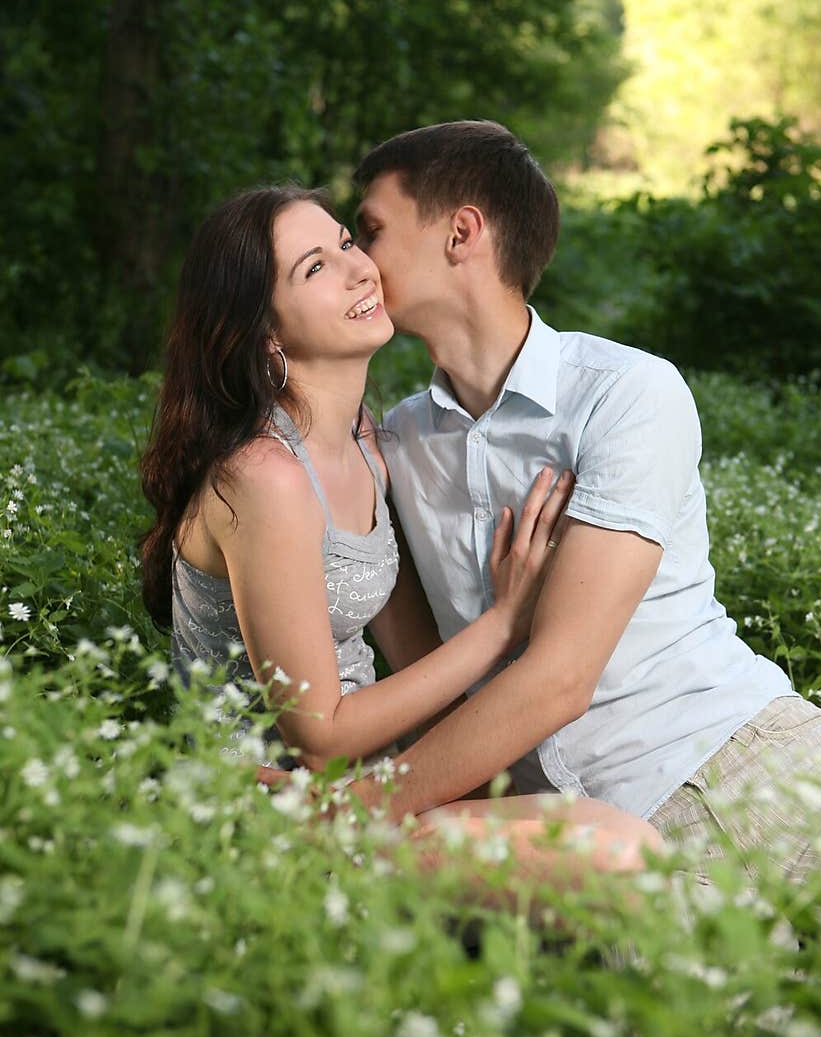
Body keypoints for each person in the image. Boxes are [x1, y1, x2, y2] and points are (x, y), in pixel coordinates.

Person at [349, 119, 821, 883]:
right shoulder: (395, 444)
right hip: (567, 838)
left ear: (461, 232)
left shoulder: (625, 392)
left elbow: (562, 675)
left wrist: (361, 804)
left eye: (370, 231)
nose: (357, 264)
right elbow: (422, 673)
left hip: (743, 761)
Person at [139, 182, 661, 882]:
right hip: (274, 804)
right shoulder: (265, 476)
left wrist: (474, 785)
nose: (359, 269)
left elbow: (414, 658)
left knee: (619, 832)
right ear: (265, 331)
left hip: (371, 785)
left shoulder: (364, 443)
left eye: (348, 242)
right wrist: (505, 623)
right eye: (314, 268)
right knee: (622, 859)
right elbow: (319, 737)